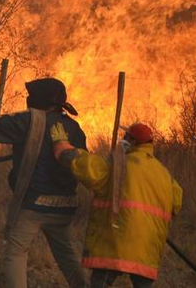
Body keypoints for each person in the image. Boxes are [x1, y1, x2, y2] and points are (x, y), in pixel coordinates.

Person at [0, 78, 87, 288]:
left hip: (35, 204)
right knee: (66, 255)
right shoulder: (73, 127)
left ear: (38, 99)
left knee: (16, 252)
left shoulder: (29, 120)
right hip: (65, 204)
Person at [50, 121, 183, 288]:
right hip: (147, 250)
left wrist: (62, 146)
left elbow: (85, 166)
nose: (122, 139)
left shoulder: (117, 166)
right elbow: (176, 204)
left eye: (125, 137)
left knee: (101, 282)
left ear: (133, 142)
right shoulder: (165, 175)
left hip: (114, 243)